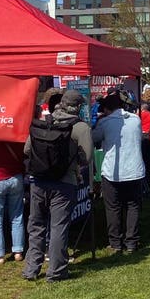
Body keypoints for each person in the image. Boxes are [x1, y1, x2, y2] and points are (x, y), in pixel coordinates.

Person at [23, 91, 93, 281]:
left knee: (36, 224)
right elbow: (87, 158)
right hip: (64, 182)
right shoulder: (80, 127)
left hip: (38, 181)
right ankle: (56, 271)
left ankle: (31, 269)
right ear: (78, 107)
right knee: (58, 227)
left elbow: (27, 149)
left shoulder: (45, 121)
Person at [93, 92, 146, 253]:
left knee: (113, 207)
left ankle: (115, 242)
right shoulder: (136, 120)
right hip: (134, 169)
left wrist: (98, 121)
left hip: (112, 172)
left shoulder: (105, 122)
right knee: (133, 206)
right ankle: (132, 241)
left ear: (107, 109)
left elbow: (93, 137)